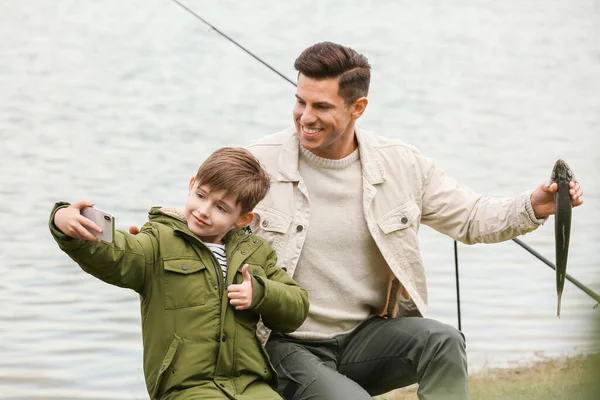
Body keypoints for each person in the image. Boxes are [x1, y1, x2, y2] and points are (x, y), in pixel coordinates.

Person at [130, 43, 584, 400]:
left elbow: (469, 217)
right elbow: (200, 215)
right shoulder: (258, 162)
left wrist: (534, 205)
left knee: (444, 341)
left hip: (366, 337)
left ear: (357, 108)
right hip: (283, 343)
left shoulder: (402, 165)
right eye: (300, 101)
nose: (305, 117)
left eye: (322, 107)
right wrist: (133, 240)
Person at [50, 147, 310, 400]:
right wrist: (63, 220)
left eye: (221, 208)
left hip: (250, 385)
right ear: (191, 185)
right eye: (201, 195)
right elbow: (117, 253)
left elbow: (297, 307)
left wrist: (260, 293)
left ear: (242, 219)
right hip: (185, 386)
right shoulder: (159, 241)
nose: (203, 210)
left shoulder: (257, 253)